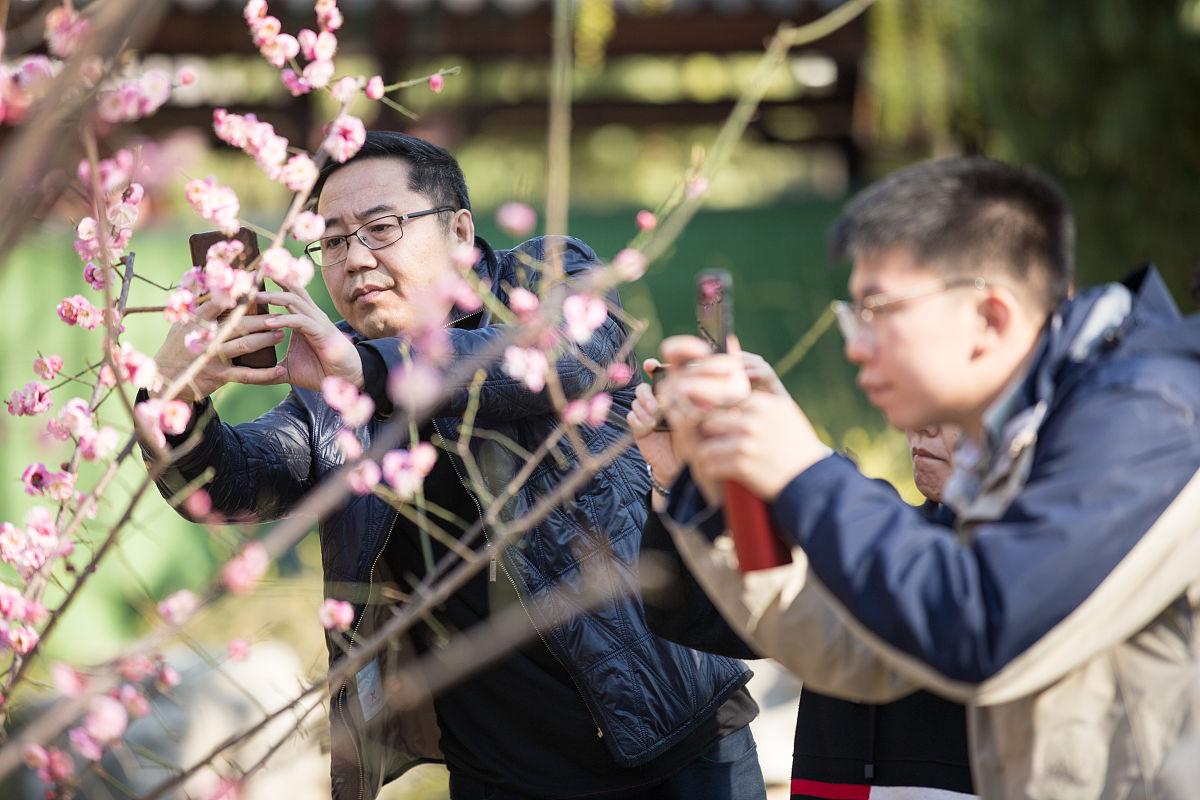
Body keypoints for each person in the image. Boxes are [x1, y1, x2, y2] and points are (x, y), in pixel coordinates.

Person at [142, 131, 766, 800]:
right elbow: (231, 485)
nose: (354, 259)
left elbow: (562, 355)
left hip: (677, 744)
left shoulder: (544, 276)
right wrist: (176, 394)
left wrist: (370, 369)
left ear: (461, 231)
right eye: (331, 241)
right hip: (497, 773)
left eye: (380, 228)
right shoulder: (331, 391)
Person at [652, 156, 1200, 799]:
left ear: (989, 318)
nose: (857, 344)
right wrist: (720, 486)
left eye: (878, 309)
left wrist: (807, 468)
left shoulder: (1154, 413)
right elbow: (858, 650)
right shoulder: (1022, 435)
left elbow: (978, 626)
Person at [631, 362, 975, 799]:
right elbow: (701, 615)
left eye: (950, 410)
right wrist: (676, 480)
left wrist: (802, 463)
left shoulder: (1034, 568)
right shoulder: (866, 532)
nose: (920, 427)